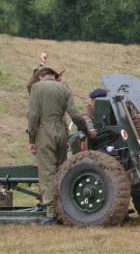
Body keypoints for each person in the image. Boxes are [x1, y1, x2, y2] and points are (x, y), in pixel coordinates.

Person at [27, 65, 88, 225]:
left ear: (41, 75)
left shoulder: (36, 88)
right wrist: (86, 130)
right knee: (61, 171)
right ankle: (63, 209)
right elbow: (75, 114)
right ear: (54, 76)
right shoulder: (65, 89)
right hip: (62, 132)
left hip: (45, 131)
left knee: (47, 172)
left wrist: (32, 140)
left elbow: (33, 117)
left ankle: (50, 213)